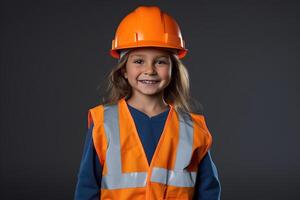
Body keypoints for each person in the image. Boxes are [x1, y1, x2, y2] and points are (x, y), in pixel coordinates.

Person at [74, 5, 221, 200]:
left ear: (173, 70)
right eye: (139, 61)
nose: (150, 70)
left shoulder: (192, 130)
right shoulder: (103, 124)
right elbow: (87, 188)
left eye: (160, 61)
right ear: (124, 70)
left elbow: (208, 192)